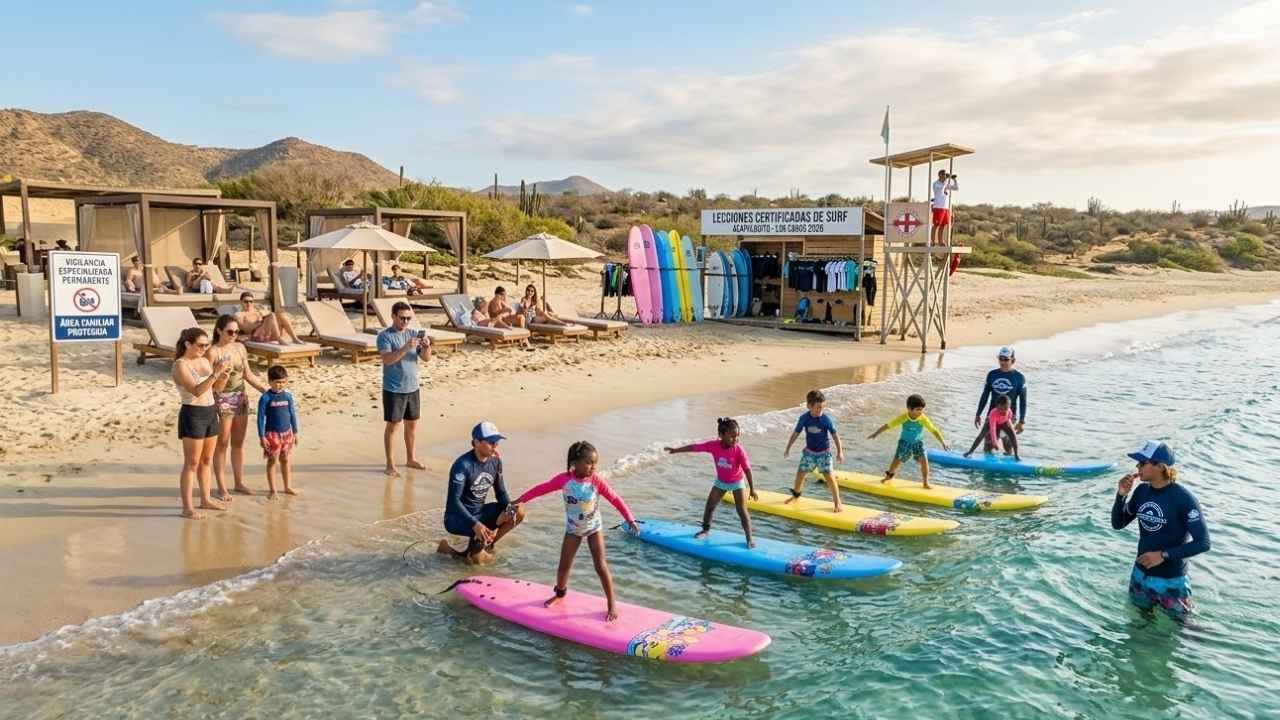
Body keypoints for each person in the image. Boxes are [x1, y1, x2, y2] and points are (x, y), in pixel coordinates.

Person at [515, 441, 638, 621]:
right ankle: (560, 593)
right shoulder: (564, 480)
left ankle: (611, 602)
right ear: (574, 462)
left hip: (594, 528)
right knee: (564, 564)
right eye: (589, 463)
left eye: (595, 463)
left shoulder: (596, 481)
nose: (593, 467)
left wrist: (629, 518)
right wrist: (521, 500)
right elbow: (542, 489)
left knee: (600, 565)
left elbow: (615, 498)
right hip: (573, 529)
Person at [1111, 441, 1209, 621]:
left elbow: (1203, 543)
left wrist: (1163, 555)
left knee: (1184, 630)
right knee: (1139, 626)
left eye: (1142, 463)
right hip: (1140, 577)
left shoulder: (1183, 499)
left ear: (1160, 466)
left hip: (1171, 582)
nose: (1137, 466)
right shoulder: (1141, 491)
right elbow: (1118, 524)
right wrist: (1121, 495)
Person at [437, 421, 526, 564]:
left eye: (497, 441)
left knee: (518, 510)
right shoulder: (462, 465)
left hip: (480, 513)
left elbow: (501, 492)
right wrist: (475, 524)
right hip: (457, 519)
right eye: (491, 442)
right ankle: (454, 551)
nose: (495, 445)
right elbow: (453, 501)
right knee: (479, 562)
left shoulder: (495, 461)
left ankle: (486, 544)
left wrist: (508, 510)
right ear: (477, 442)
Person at [665, 417, 757, 547]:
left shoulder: (738, 450)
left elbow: (747, 469)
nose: (735, 439)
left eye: (737, 436)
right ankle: (705, 530)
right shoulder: (713, 446)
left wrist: (752, 489)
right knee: (709, 506)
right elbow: (695, 447)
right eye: (732, 436)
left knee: (742, 510)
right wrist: (676, 450)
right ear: (721, 435)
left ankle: (749, 539)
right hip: (721, 482)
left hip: (737, 482)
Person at [208, 314, 270, 500]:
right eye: (230, 332)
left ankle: (239, 482)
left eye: (237, 331)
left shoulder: (240, 348)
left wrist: (266, 391)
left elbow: (247, 374)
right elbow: (208, 383)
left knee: (238, 443)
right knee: (222, 443)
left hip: (241, 397)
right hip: (222, 398)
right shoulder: (213, 352)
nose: (234, 335)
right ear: (219, 331)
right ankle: (221, 487)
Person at [172, 327, 232, 519]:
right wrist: (215, 374)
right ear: (188, 344)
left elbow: (216, 390)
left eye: (207, 345)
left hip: (210, 411)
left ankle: (205, 499)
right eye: (200, 345)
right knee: (192, 463)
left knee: (206, 461)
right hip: (193, 413)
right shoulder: (180, 365)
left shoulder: (205, 361)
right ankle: (187, 507)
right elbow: (196, 391)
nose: (204, 348)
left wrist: (223, 377)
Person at [377, 301, 431, 476]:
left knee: (412, 425)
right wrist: (406, 347)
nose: (406, 322)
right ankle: (390, 464)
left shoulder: (413, 333)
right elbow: (387, 360)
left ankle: (411, 458)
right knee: (393, 427)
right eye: (402, 318)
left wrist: (427, 347)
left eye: (408, 318)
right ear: (393, 316)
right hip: (393, 389)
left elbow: (426, 358)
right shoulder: (385, 336)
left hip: (412, 387)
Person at [869, 394, 950, 489]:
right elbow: (888, 425)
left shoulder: (923, 419)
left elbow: (934, 430)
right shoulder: (903, 417)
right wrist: (876, 433)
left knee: (924, 461)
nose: (920, 412)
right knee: (897, 461)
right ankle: (889, 476)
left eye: (922, 409)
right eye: (918, 409)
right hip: (904, 443)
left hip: (918, 443)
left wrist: (943, 442)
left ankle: (925, 483)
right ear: (909, 408)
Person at [783, 389, 844, 512]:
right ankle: (796, 496)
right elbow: (795, 433)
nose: (820, 410)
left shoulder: (825, 419)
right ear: (809, 406)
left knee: (829, 477)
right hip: (809, 453)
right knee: (800, 474)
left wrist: (840, 452)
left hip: (824, 454)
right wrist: (788, 448)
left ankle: (838, 502)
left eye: (822, 407)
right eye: (818, 407)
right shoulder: (804, 418)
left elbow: (835, 435)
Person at [257, 365, 301, 497]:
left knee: (285, 459)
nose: (280, 385)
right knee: (272, 461)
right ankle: (273, 490)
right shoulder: (265, 398)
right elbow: (260, 418)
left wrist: (295, 432)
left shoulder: (287, 396)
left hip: (287, 433)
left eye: (283, 382)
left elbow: (292, 414)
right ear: (270, 382)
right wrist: (261, 436)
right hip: (272, 435)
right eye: (277, 382)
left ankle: (288, 487)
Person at [975, 346, 1027, 437]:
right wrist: (978, 414)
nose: (1002, 362)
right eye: (1000, 359)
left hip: (1009, 417)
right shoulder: (992, 375)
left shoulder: (1019, 378)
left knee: (1008, 444)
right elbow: (985, 396)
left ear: (1013, 360)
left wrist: (1021, 421)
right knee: (989, 442)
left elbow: (1023, 401)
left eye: (1006, 359)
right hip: (992, 415)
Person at [964, 394, 1020, 460]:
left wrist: (1008, 422)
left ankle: (1016, 454)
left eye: (1006, 408)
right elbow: (993, 429)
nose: (1003, 411)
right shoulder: (993, 413)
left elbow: (1010, 416)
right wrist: (995, 442)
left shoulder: (1009, 411)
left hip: (1004, 422)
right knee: (981, 435)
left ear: (1009, 406)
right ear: (997, 407)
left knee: (1013, 435)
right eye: (1000, 409)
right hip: (991, 422)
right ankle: (970, 451)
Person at [234, 292, 303, 345]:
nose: (248, 304)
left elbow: (273, 318)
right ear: (241, 302)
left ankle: (294, 338)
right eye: (246, 301)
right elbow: (246, 330)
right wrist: (260, 322)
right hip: (256, 336)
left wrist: (264, 318)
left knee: (280, 314)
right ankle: (279, 339)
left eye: (251, 301)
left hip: (267, 333)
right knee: (271, 315)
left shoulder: (258, 311)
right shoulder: (239, 314)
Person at [931, 169, 958, 245]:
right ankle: (932, 241)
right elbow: (941, 190)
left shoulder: (945, 184)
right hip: (938, 207)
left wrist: (954, 179)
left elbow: (956, 188)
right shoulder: (936, 184)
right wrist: (947, 180)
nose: (944, 176)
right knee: (936, 225)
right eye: (943, 174)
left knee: (943, 225)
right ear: (939, 175)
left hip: (945, 208)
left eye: (945, 175)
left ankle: (940, 241)